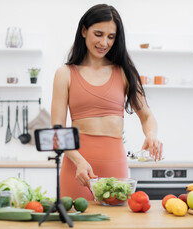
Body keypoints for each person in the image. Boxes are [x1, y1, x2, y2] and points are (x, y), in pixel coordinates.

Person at [51, 4, 163, 200]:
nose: (104, 42)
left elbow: (147, 116)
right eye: (99, 34)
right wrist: (79, 162)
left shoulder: (124, 72)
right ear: (84, 31)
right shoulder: (65, 74)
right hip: (77, 169)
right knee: (76, 227)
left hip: (115, 167)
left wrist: (151, 134)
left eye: (111, 37)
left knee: (116, 228)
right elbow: (57, 129)